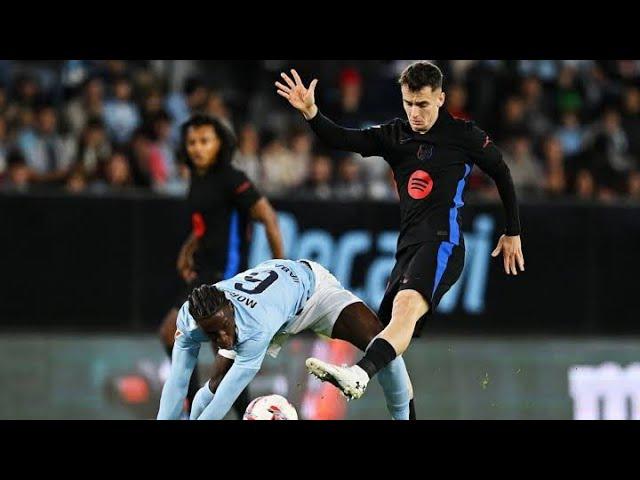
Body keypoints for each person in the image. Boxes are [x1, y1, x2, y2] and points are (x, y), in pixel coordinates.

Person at [275, 62, 524, 403]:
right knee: (385, 335)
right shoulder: (396, 135)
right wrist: (312, 112)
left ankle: (358, 374)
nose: (414, 113)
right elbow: (343, 138)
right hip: (407, 248)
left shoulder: (464, 135)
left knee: (406, 309)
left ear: (440, 98)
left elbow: (501, 171)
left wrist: (513, 231)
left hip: (443, 243)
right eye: (408, 103)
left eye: (422, 104)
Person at [157, 259, 414, 420]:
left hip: (313, 292)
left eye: (224, 329)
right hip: (270, 308)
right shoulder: (191, 320)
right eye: (212, 335)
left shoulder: (254, 326)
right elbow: (177, 382)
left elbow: (227, 399)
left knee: (384, 345)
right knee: (214, 385)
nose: (222, 339)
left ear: (232, 310)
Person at [158, 113, 284, 418]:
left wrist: (281, 267)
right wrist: (187, 249)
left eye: (205, 141)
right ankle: (197, 406)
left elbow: (267, 217)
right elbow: (206, 224)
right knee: (174, 335)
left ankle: (246, 413)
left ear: (220, 144)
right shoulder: (199, 177)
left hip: (226, 276)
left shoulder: (232, 178)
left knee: (224, 355)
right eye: (192, 142)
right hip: (203, 273)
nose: (197, 148)